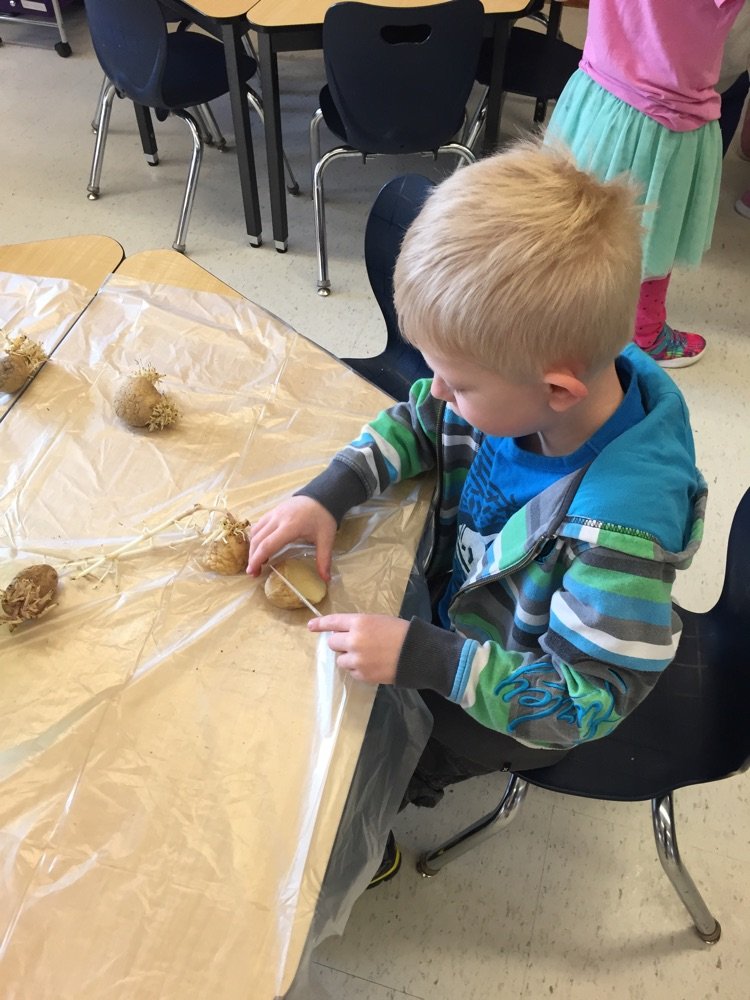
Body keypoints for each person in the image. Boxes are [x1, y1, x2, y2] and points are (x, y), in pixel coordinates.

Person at [246, 143, 707, 884]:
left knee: (368, 760)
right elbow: (418, 423)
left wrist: (425, 659)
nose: (433, 391)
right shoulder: (520, 390)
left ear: (556, 390)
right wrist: (326, 495)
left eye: (455, 382)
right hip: (466, 619)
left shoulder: (624, 534)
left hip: (515, 695)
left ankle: (394, 810)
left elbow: (582, 703)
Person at [544, 0, 746, 368]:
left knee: (574, 207)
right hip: (661, 113)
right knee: (652, 233)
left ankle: (559, 310)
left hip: (595, 86)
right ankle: (645, 332)